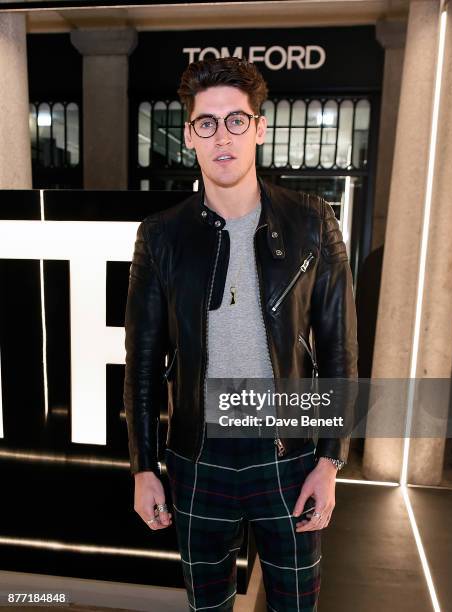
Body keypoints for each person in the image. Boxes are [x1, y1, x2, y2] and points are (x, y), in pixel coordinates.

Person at [124, 56, 358, 612]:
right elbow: (142, 363)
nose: (221, 136)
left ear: (259, 127)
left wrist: (330, 461)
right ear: (189, 135)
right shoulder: (160, 236)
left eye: (236, 120)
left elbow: (339, 350)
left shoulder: (311, 220)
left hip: (291, 456)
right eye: (207, 122)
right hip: (196, 460)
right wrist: (142, 467)